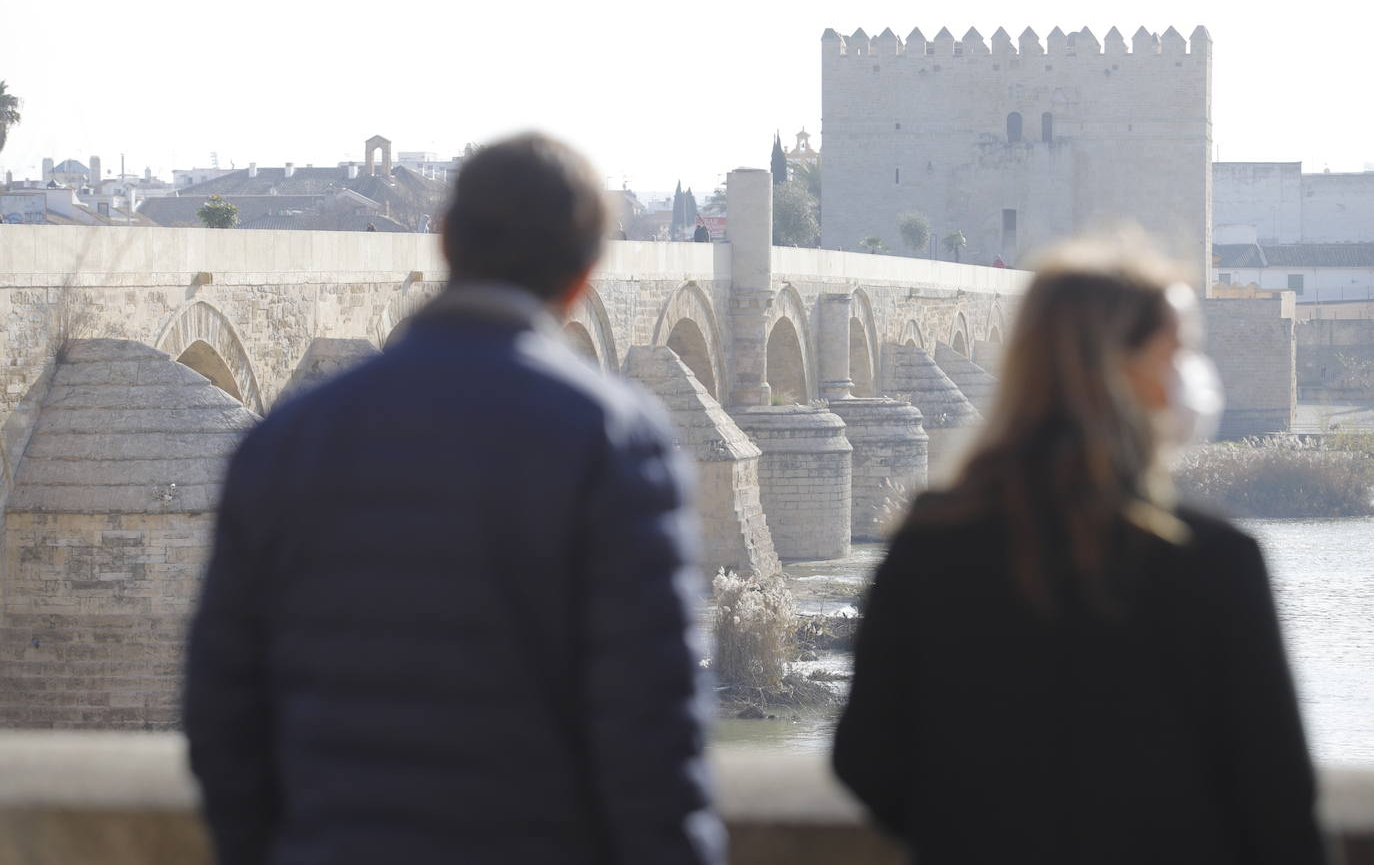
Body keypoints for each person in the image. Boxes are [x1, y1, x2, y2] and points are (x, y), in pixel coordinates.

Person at [185, 133, 725, 865]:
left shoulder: (284, 441)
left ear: (444, 241)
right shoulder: (615, 442)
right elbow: (651, 733)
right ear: (582, 280)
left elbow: (223, 711)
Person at [833, 235, 1326, 865]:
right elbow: (1278, 798)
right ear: (1118, 368)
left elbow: (866, 760)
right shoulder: (1212, 561)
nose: (1190, 373)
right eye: (1177, 351)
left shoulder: (927, 544)